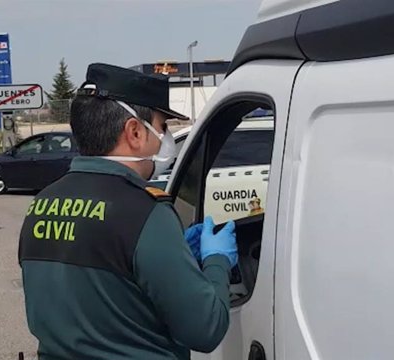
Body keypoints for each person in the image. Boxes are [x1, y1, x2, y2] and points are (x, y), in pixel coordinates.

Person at [18, 63, 238, 360]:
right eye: (162, 128)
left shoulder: (41, 204)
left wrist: (170, 259)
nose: (166, 140)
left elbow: (99, 295)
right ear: (135, 132)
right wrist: (217, 262)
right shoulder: (145, 213)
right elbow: (205, 329)